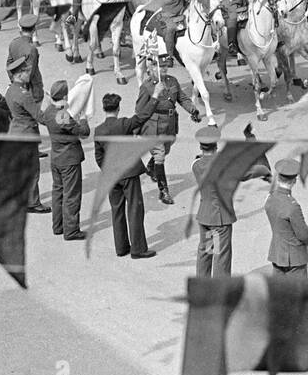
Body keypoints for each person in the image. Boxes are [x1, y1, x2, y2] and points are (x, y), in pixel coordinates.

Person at [94, 91, 159, 259]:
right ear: (118, 108)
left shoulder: (99, 130)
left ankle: (121, 247)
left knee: (117, 211)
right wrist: (155, 96)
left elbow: (99, 156)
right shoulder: (123, 124)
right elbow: (142, 116)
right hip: (129, 173)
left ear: (104, 108)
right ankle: (138, 249)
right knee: (135, 209)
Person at [136, 55, 200, 205]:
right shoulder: (147, 86)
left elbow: (182, 98)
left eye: (166, 67)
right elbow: (139, 110)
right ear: (152, 68)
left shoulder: (172, 81)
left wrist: (192, 109)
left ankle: (151, 167)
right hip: (154, 126)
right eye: (161, 67)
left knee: (167, 149)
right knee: (160, 155)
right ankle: (163, 191)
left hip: (170, 123)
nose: (164, 70)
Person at [42, 80, 90, 240]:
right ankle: (71, 230)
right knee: (72, 195)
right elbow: (83, 132)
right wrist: (83, 118)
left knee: (58, 192)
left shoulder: (49, 111)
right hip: (69, 158)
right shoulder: (62, 115)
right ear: (64, 95)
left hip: (56, 157)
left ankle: (58, 226)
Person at [5, 54, 48, 214]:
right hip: (27, 136)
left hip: (15, 132)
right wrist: (54, 108)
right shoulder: (24, 95)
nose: (28, 74)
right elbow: (40, 116)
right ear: (20, 74)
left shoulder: (11, 90)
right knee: (32, 171)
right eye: (26, 72)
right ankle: (32, 202)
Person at [191, 126, 233, 276]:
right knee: (221, 255)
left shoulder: (196, 165)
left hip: (205, 214)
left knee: (206, 251)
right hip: (220, 217)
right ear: (216, 145)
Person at [265, 158, 308, 276]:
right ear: (294, 181)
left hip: (277, 253)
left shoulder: (269, 199)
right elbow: (303, 233)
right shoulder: (292, 206)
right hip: (295, 257)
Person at [7, 13, 43, 103]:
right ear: (34, 30)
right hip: (32, 91)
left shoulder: (13, 43)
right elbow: (29, 74)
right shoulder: (32, 49)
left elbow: (8, 65)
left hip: (17, 86)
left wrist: (14, 80)